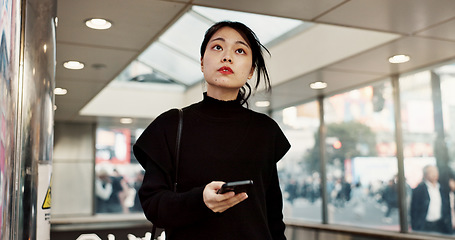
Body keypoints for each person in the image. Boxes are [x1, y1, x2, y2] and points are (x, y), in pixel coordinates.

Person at [133, 21, 291, 240]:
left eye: (240, 50)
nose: (227, 57)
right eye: (217, 47)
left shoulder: (265, 130)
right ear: (201, 62)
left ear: (251, 71)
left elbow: (273, 216)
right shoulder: (170, 125)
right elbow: (154, 206)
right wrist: (201, 201)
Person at [410, 165, 452, 234]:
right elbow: (414, 210)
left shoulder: (442, 188)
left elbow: (447, 207)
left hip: (440, 224)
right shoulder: (419, 190)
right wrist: (415, 226)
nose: (435, 174)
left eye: (436, 171)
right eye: (432, 172)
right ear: (425, 174)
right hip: (425, 225)